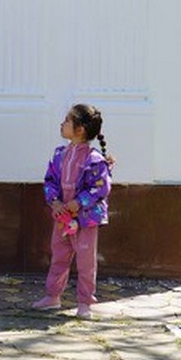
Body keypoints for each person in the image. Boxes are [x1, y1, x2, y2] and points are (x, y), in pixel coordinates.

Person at [31, 104, 112, 319]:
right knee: (59, 255)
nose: (62, 123)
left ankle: (85, 301)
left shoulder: (94, 160)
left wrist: (80, 201)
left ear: (80, 129)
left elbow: (100, 187)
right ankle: (52, 296)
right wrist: (55, 202)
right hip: (63, 219)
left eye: (67, 120)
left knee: (85, 261)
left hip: (86, 220)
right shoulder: (60, 155)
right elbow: (50, 180)